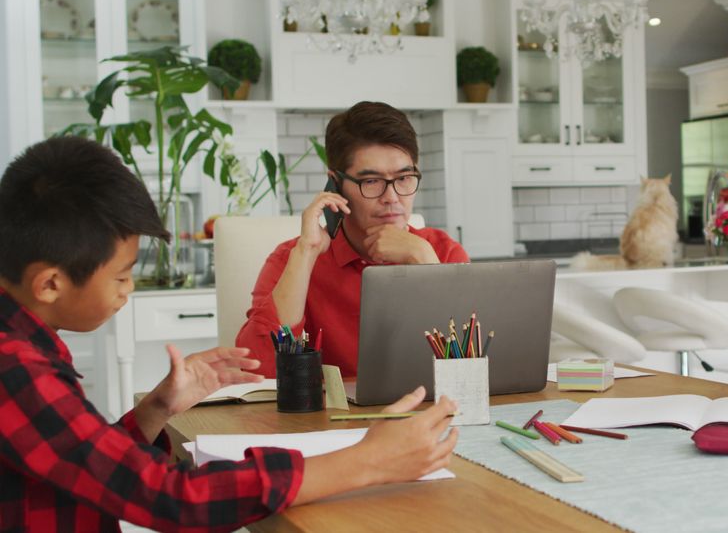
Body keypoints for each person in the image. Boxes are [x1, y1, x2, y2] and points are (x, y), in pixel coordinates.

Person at [0, 137, 458, 531]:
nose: (129, 289)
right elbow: (169, 496)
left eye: (404, 179)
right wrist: (365, 460)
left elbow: (91, 464)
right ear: (50, 284)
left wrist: (157, 407)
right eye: (121, 276)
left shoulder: (25, 347)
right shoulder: (16, 369)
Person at [236, 101, 468, 378]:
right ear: (335, 184)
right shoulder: (292, 259)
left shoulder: (442, 252)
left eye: (404, 177)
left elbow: (471, 368)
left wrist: (425, 262)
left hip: (426, 416)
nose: (392, 198)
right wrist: (307, 253)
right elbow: (257, 369)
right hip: (330, 420)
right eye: (371, 181)